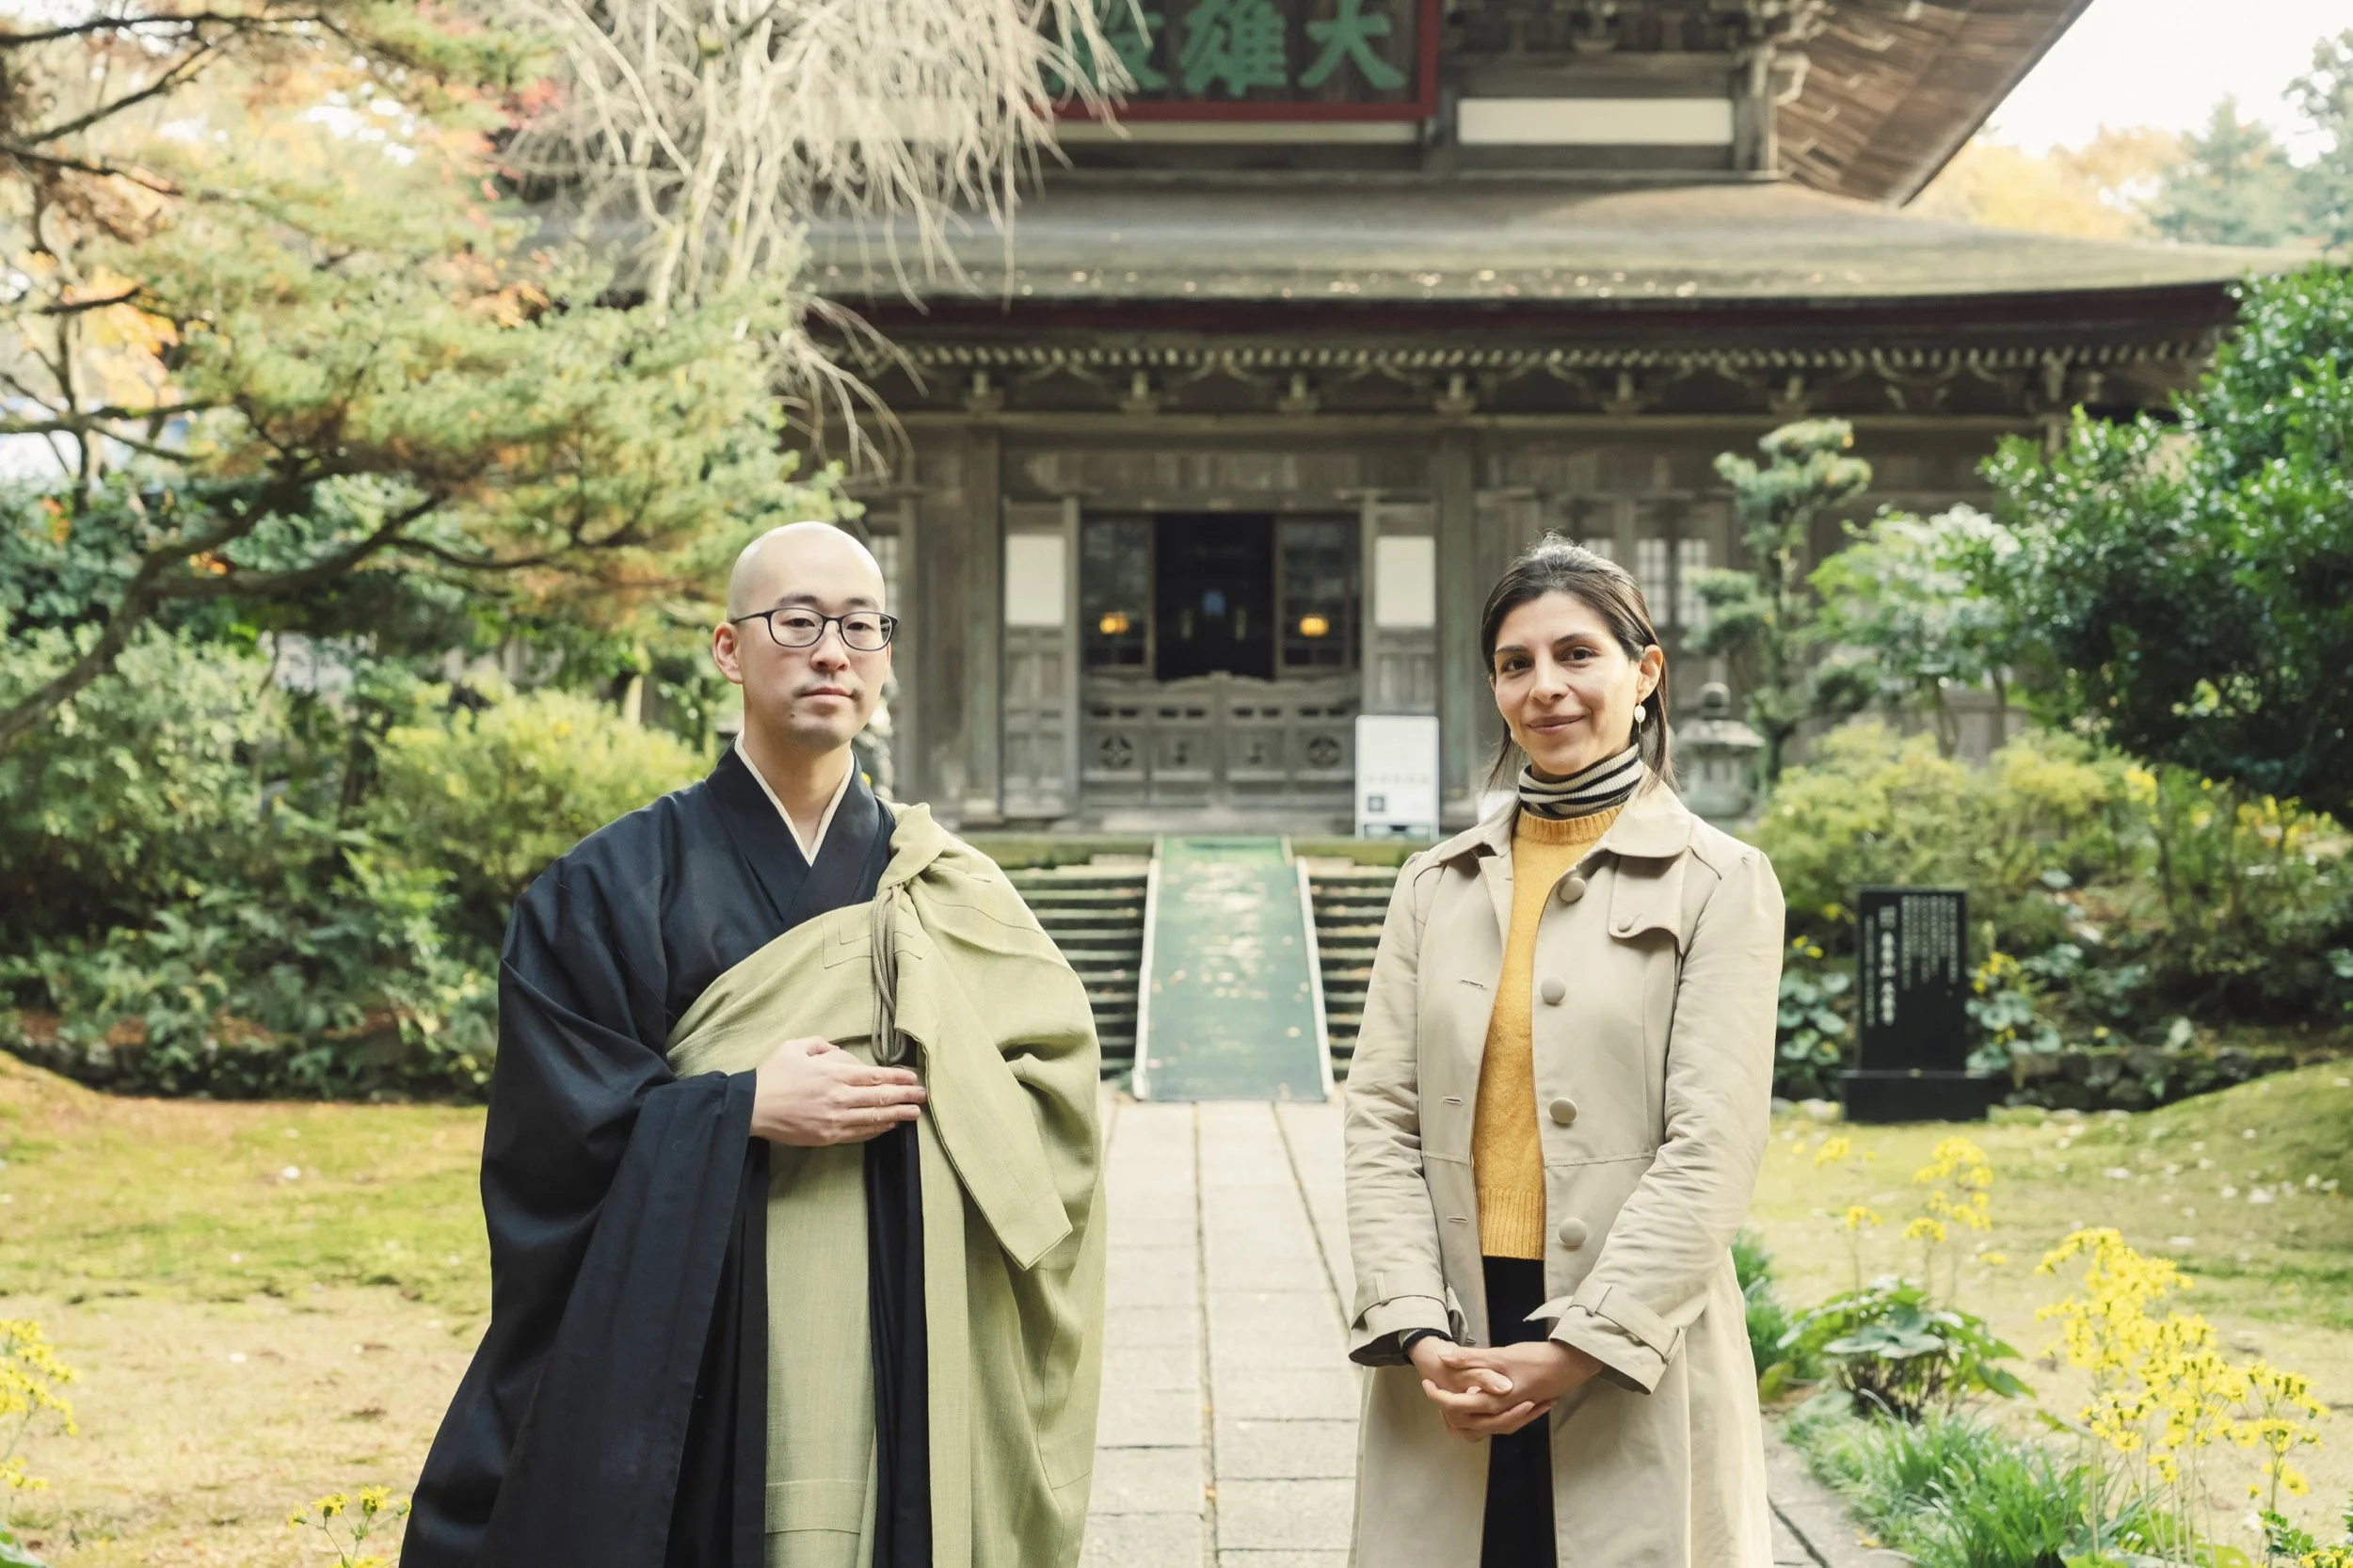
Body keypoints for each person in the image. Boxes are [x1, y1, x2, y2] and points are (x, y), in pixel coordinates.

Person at [405, 522, 1106, 1568]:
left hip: (903, 1316)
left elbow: (1056, 1110)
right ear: (730, 650)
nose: (832, 653)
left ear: (885, 657)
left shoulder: (950, 890)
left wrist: (950, 1093)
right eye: (799, 622)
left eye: (861, 628)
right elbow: (551, 1149)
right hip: (707, 1345)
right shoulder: (607, 889)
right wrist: (735, 1111)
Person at [1342, 536, 1785, 1568]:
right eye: (1515, 663)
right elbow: (1380, 1119)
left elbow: (1712, 1146)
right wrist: (1416, 1327)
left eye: (1577, 654)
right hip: (1455, 1329)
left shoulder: (1719, 882)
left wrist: (1580, 1346)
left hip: (1634, 1333)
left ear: (1645, 672)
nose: (1544, 687)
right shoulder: (1435, 884)